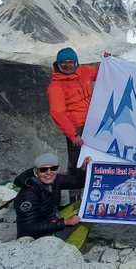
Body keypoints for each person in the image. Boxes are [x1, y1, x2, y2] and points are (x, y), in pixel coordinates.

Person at [47, 47, 109, 181]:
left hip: (93, 123)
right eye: (63, 62)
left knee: (97, 156)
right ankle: (75, 196)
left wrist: (108, 61)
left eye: (71, 62)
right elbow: (57, 113)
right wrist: (73, 135)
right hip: (76, 129)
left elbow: (103, 73)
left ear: (76, 63)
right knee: (77, 162)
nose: (67, 65)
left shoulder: (84, 72)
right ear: (58, 64)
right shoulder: (56, 86)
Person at [13, 153, 92, 248]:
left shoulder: (55, 179)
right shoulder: (28, 193)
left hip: (53, 219)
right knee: (83, 219)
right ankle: (66, 252)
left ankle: (72, 251)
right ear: (36, 171)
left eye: (53, 168)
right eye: (43, 170)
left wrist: (83, 170)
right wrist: (65, 222)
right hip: (38, 237)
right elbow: (28, 228)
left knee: (88, 209)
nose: (49, 173)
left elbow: (78, 182)